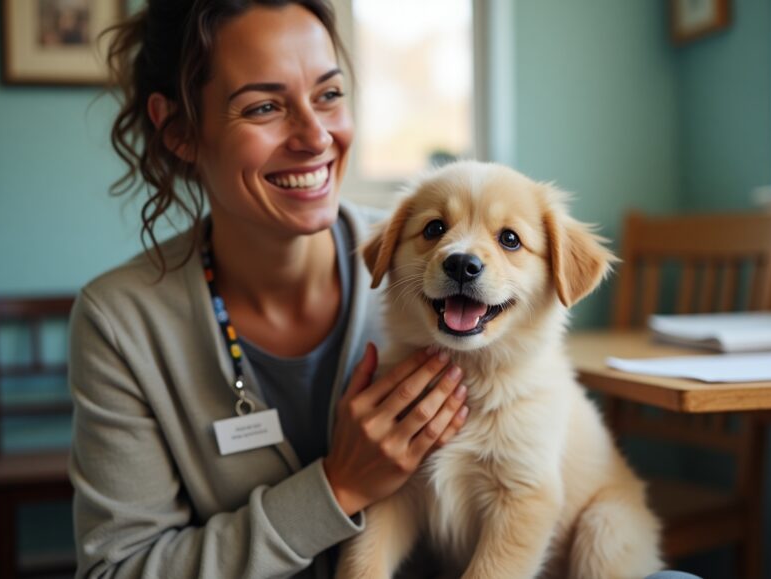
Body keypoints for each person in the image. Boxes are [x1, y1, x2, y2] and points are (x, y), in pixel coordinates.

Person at [68, 1, 470, 577]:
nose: (315, 136)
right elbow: (118, 570)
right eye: (263, 107)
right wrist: (336, 487)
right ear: (180, 130)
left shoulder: (437, 276)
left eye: (329, 95)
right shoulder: (121, 322)